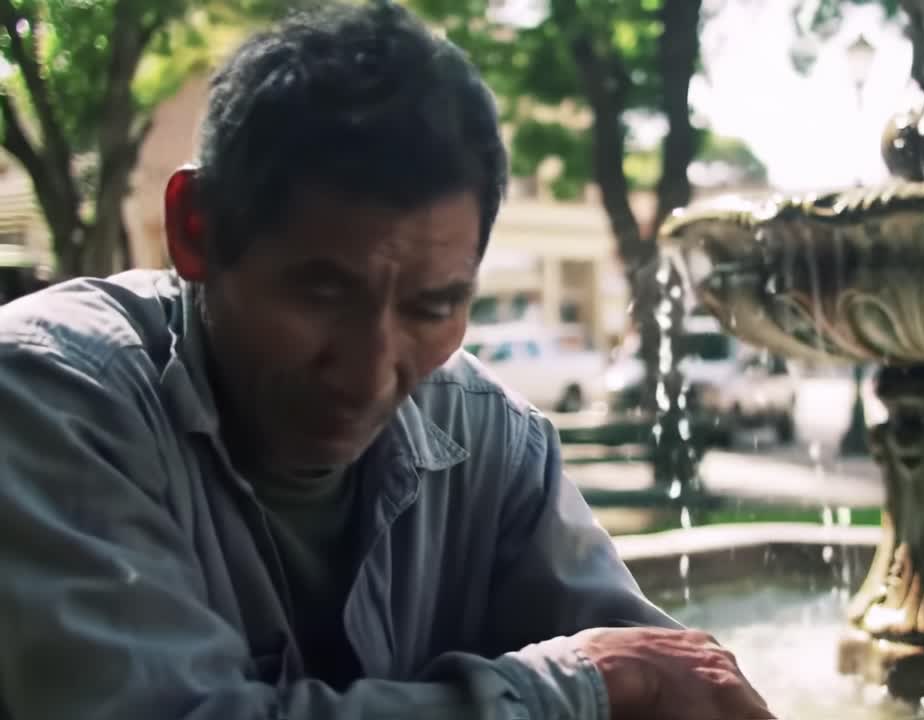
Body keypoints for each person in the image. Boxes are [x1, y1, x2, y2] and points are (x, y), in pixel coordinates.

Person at [0, 4, 772, 720]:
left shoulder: (490, 440)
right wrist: (570, 687)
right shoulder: (49, 397)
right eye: (321, 293)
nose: (371, 374)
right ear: (195, 230)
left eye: (432, 308)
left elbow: (666, 678)